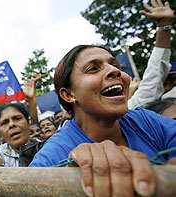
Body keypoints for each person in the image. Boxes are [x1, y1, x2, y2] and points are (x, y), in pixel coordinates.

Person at [30, 1, 176, 196]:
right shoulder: (53, 155)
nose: (115, 71)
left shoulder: (144, 120)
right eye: (93, 69)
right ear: (69, 94)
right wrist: (71, 171)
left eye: (116, 66)